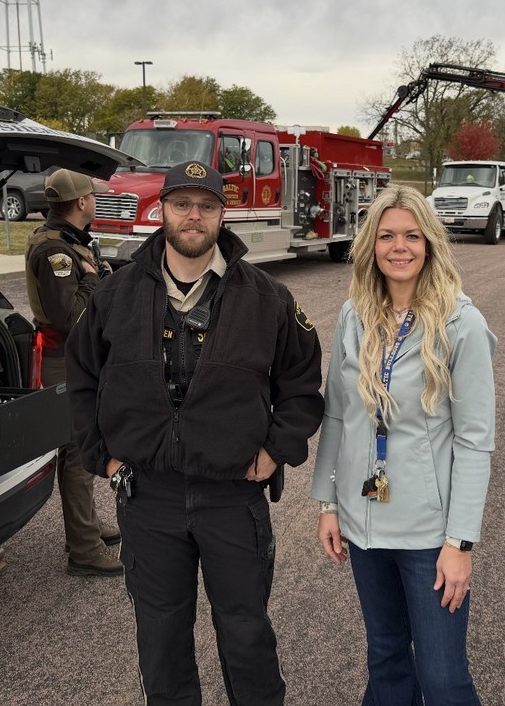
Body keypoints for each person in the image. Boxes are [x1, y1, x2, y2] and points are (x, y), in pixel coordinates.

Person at [67, 160, 324, 706]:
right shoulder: (115, 296)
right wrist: (103, 460)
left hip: (233, 495)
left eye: (206, 206)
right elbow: (81, 381)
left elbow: (302, 385)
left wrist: (277, 450)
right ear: (161, 211)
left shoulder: (267, 298)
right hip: (148, 496)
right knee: (161, 639)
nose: (193, 216)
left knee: (246, 632)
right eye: (182, 204)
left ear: (222, 214)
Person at [311, 183, 496, 706]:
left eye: (412, 236)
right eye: (387, 235)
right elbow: (338, 415)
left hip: (427, 535)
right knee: (387, 660)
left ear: (430, 244)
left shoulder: (462, 324)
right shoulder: (354, 315)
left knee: (441, 676)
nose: (400, 247)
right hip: (364, 524)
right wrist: (328, 503)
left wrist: (460, 543)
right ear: (371, 244)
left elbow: (476, 442)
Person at [25, 168, 122, 577]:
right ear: (81, 202)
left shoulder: (68, 241)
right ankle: (83, 549)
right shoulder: (56, 253)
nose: (96, 201)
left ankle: (86, 526)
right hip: (64, 357)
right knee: (78, 451)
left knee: (81, 448)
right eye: (93, 197)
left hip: (78, 355)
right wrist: (95, 280)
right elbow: (70, 317)